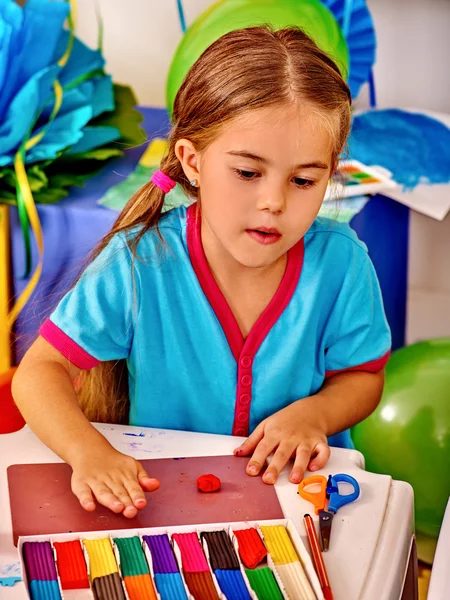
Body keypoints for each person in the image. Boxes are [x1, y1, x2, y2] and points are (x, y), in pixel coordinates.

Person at [12, 26, 391, 519]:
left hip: (299, 498)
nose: (274, 202)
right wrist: (89, 452)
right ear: (193, 162)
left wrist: (315, 414)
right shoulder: (139, 261)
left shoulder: (342, 262)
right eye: (248, 173)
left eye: (303, 180)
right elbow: (39, 372)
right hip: (162, 498)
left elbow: (362, 376)